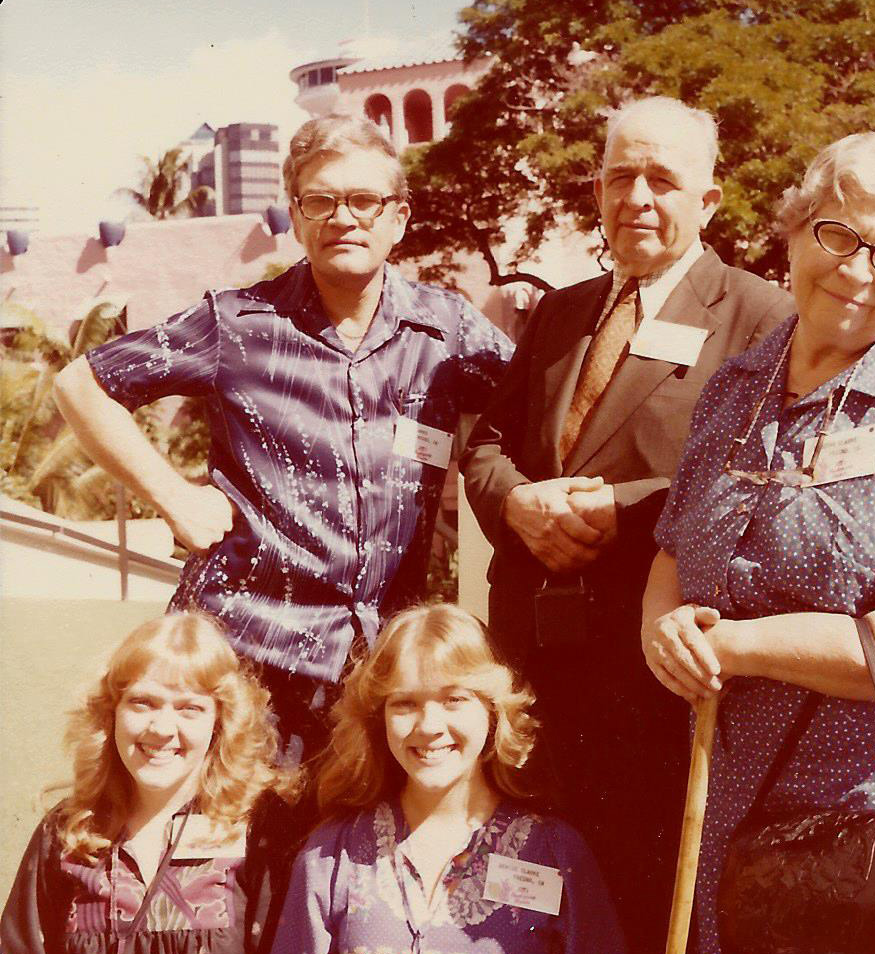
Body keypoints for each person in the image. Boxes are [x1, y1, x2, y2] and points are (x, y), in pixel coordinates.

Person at [642, 132, 875, 954]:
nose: (856, 270)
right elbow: (673, 550)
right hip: (745, 795)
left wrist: (737, 647)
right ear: (795, 231)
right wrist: (663, 628)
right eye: (838, 235)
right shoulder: (738, 386)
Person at [53, 115, 513, 760]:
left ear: (399, 217)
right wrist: (173, 496)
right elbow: (82, 384)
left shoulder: (449, 329)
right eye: (320, 201)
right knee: (225, 825)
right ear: (295, 217)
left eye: (364, 200)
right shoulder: (236, 323)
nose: (343, 218)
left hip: (383, 669)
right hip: (243, 658)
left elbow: (535, 407)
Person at [459, 95, 793, 948]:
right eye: (620, 177)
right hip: (532, 664)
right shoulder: (560, 311)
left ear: (708, 200)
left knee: (640, 903)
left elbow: (759, 474)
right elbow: (487, 444)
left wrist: (627, 509)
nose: (637, 198)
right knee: (528, 888)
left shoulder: (762, 317)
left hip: (651, 677)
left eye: (662, 180)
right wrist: (516, 502)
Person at [268, 603, 625, 954]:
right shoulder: (332, 857)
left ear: (492, 710)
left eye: (454, 699)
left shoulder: (551, 854)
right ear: (380, 718)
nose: (429, 726)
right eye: (405, 703)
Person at [1, 613, 300, 954]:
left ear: (219, 722)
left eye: (189, 708)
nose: (161, 728)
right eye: (142, 703)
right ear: (111, 713)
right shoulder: (70, 831)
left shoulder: (256, 831)